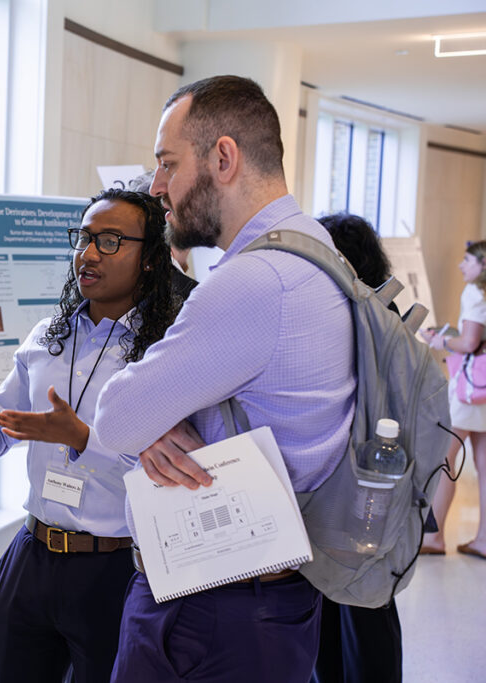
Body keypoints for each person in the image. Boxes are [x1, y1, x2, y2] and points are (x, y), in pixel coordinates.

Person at [94, 75, 357, 682]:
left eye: (168, 164)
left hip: (208, 608)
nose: (157, 186)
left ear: (223, 157)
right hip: (273, 596)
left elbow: (115, 419)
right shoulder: (317, 249)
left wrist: (150, 423)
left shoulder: (253, 283)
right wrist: (157, 423)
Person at [0, 188, 194, 683]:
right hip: (33, 555)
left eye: (111, 240)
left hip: (116, 567)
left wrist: (82, 438)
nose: (89, 253)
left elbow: (164, 468)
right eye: (84, 238)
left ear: (149, 259)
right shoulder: (47, 336)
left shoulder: (165, 350)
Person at [311, 212, 402, 683]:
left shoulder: (355, 321)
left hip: (355, 487)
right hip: (368, 488)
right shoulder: (385, 318)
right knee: (356, 607)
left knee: (355, 610)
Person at [420, 240, 486, 561]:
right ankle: (483, 539)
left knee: (444, 460)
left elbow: (471, 341)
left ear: (482, 265)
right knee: (484, 465)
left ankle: (433, 535)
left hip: (468, 390)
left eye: (468, 260)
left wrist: (440, 340)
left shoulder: (475, 292)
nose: (462, 266)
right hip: (484, 390)